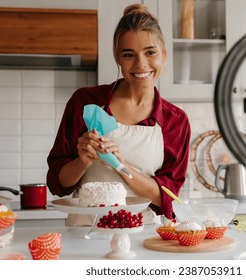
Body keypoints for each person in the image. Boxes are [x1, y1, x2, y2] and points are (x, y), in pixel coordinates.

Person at [46, 4, 191, 225]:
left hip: (143, 233)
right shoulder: (86, 102)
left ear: (164, 54)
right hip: (85, 230)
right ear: (117, 57)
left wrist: (120, 166)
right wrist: (83, 161)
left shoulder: (175, 121)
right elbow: (58, 184)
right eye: (128, 54)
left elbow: (166, 197)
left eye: (150, 52)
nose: (141, 64)